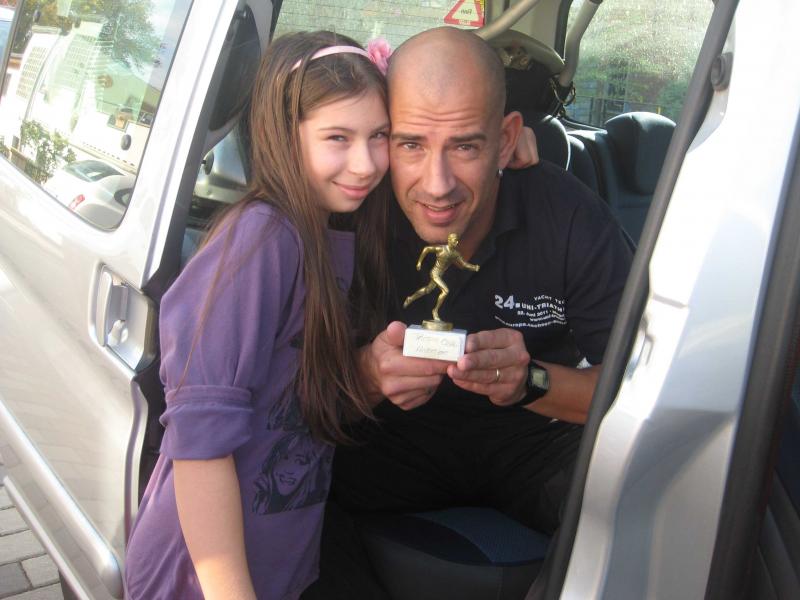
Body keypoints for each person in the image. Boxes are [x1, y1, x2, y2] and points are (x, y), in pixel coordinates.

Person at [307, 26, 634, 597]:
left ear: (506, 141)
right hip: (384, 446)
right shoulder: (350, 212)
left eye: (466, 147)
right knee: (298, 501)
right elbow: (281, 400)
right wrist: (366, 376)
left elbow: (634, 397)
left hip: (530, 443)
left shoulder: (568, 216)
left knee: (636, 500)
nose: (437, 186)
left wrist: (530, 382)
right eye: (411, 145)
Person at [125, 30, 394, 600]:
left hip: (277, 569)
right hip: (201, 579)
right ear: (282, 134)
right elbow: (201, 448)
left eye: (380, 136)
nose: (366, 163)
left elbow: (290, 407)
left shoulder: (326, 235)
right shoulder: (260, 240)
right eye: (338, 137)